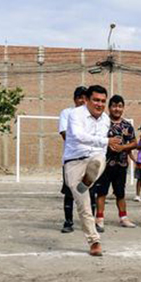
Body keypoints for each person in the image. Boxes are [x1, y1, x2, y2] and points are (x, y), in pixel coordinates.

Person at [63, 85, 117, 256]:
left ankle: (88, 179)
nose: (99, 104)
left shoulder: (106, 119)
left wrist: (103, 145)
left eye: (103, 101)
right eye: (96, 100)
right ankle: (93, 241)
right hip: (73, 161)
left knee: (99, 161)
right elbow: (78, 136)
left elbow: (101, 148)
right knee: (83, 205)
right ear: (87, 100)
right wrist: (106, 141)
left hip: (94, 158)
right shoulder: (75, 114)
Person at [94, 95, 138, 230]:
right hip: (104, 164)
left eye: (119, 106)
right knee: (102, 192)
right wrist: (108, 145)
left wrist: (123, 148)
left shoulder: (127, 126)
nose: (117, 109)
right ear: (110, 107)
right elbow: (95, 139)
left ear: (123, 108)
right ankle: (99, 218)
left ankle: (123, 218)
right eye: (114, 106)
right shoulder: (102, 123)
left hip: (121, 164)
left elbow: (135, 143)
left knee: (120, 193)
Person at [58, 86, 88, 233]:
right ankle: (68, 221)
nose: (83, 101)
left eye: (85, 97)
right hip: (71, 159)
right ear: (75, 99)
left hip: (89, 159)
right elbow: (65, 134)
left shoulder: (92, 116)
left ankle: (90, 222)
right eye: (80, 97)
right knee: (69, 192)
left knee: (89, 191)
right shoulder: (67, 113)